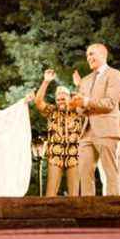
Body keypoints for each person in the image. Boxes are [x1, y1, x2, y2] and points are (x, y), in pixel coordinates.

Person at [69, 43, 120, 196]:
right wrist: (76, 105)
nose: (89, 58)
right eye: (87, 55)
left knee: (110, 172)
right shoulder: (85, 80)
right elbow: (81, 109)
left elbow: (110, 103)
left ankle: (114, 208)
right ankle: (88, 209)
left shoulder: (114, 74)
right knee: (84, 173)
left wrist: (85, 101)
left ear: (103, 54)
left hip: (106, 129)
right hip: (86, 131)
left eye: (92, 54)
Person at [35, 69, 83, 197]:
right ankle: (49, 216)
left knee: (74, 193)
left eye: (63, 98)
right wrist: (45, 82)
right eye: (58, 99)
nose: (61, 100)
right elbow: (38, 102)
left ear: (69, 97)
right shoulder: (52, 111)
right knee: (51, 192)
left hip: (75, 155)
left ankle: (75, 216)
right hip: (55, 155)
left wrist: (80, 85)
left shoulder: (77, 110)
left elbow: (84, 100)